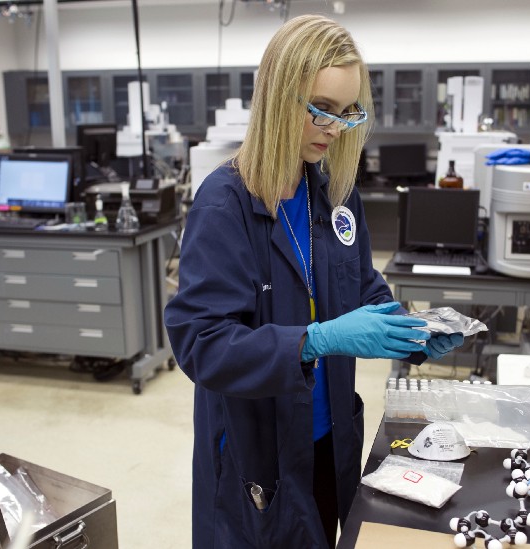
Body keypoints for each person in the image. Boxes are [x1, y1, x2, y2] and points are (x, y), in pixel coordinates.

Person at [164, 14, 463, 548]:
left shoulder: (333, 193)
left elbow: (363, 288)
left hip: (329, 441)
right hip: (261, 453)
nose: (335, 128)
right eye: (321, 109)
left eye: (348, 113)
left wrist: (412, 330)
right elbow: (201, 343)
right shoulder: (224, 202)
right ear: (279, 98)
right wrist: (316, 340)